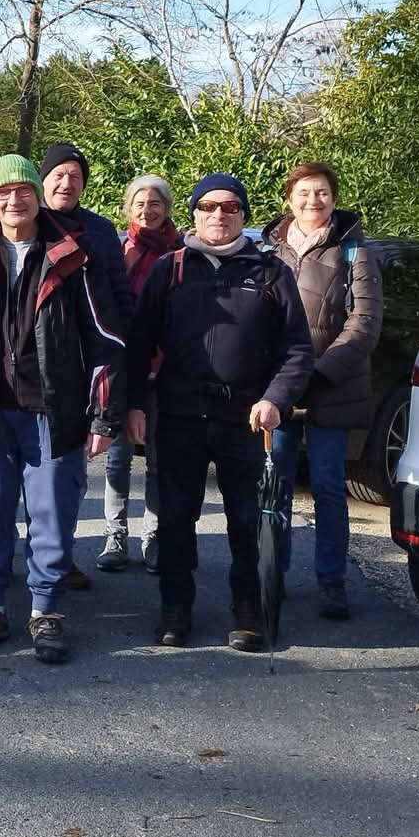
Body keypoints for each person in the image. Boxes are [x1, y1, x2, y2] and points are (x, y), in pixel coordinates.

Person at [125, 173, 315, 650]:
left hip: (246, 418)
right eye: (208, 206)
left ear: (243, 215)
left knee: (247, 522)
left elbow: (296, 349)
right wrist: (134, 405)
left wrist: (276, 398)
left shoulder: (270, 273)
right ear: (193, 214)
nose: (219, 215)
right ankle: (175, 609)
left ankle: (249, 610)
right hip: (179, 413)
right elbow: (138, 343)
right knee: (175, 520)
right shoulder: (171, 269)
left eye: (230, 207)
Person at [0, 156, 127, 666]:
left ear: (36, 195)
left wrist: (104, 414)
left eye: (23, 190)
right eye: (2, 193)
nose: (14, 201)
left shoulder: (73, 255)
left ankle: (45, 610)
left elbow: (106, 340)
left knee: (51, 513)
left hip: (52, 409)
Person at [261, 162, 384, 619]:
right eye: (304, 193)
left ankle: (332, 582)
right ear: (289, 198)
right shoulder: (269, 249)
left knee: (329, 486)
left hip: (333, 386)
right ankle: (271, 575)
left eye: (322, 193)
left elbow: (364, 322)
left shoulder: (354, 251)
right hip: (280, 388)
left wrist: (317, 373)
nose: (313, 201)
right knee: (275, 485)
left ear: (334, 198)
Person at [39, 142, 135, 591]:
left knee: (68, 477)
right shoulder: (27, 222)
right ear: (42, 181)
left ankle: (60, 556)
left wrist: (121, 355)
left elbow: (118, 295)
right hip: (28, 369)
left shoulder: (99, 230)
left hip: (81, 372)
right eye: (58, 174)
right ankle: (22, 563)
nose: (66, 182)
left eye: (75, 176)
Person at [96, 175, 183, 574]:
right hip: (123, 366)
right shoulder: (119, 249)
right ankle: (115, 537)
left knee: (159, 460)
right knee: (117, 459)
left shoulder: (181, 253)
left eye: (155, 204)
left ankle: (154, 537)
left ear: (167, 208)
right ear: (128, 209)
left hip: (166, 369)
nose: (147, 211)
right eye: (139, 204)